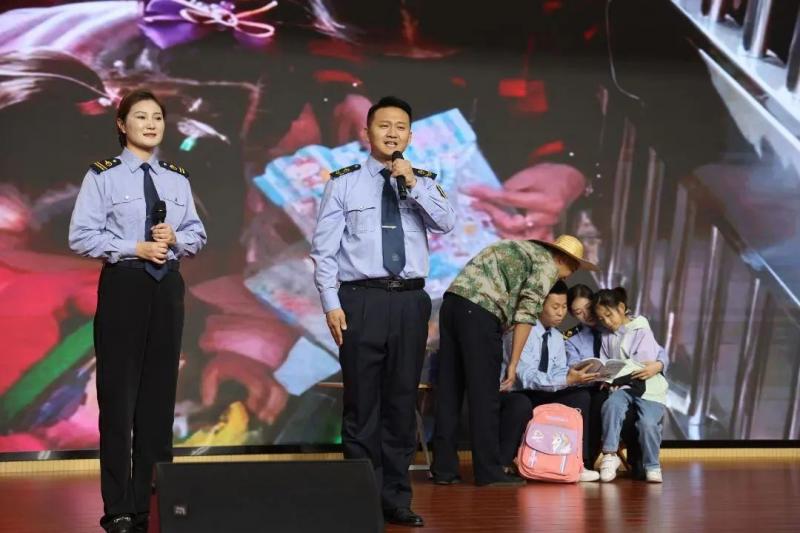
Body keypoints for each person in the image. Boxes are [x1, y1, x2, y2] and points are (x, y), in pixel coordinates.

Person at [310, 95, 455, 528]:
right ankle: (361, 498)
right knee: (361, 404)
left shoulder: (423, 180)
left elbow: (447, 222)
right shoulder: (344, 182)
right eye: (383, 125)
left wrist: (412, 183)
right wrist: (331, 304)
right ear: (367, 132)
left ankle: (396, 498)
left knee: (401, 401)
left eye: (400, 127)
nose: (392, 133)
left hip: (410, 301)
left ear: (410, 136)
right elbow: (324, 251)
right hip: (360, 299)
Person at [69, 89, 207, 533]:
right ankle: (119, 508)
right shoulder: (102, 176)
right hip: (125, 283)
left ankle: (152, 503)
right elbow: (81, 236)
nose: (150, 124)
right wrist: (135, 247)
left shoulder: (177, 178)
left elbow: (198, 235)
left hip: (167, 288)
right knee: (118, 400)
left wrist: (176, 239)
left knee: (159, 401)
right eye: (141, 116)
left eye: (157, 117)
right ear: (121, 124)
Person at [431, 234, 598, 486]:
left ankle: (443, 470)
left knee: (450, 390)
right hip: (480, 312)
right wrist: (513, 363)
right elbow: (526, 315)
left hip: (453, 304)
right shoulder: (546, 265)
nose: (567, 277)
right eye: (571, 269)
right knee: (485, 396)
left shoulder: (520, 249)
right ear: (563, 260)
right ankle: (489, 472)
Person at [498, 280, 601, 481]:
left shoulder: (556, 337)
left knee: (580, 397)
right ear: (539, 306)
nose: (561, 313)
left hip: (542, 391)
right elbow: (525, 376)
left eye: (564, 307)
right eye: (555, 307)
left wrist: (573, 374)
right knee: (521, 403)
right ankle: (502, 463)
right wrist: (565, 379)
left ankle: (579, 463)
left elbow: (558, 370)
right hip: (516, 391)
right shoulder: (520, 332)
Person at [565, 284, 668, 469]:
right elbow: (573, 369)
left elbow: (656, 349)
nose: (586, 315)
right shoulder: (573, 339)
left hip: (627, 384)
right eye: (578, 312)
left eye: (588, 308)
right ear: (572, 315)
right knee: (599, 401)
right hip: (595, 387)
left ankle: (639, 462)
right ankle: (587, 462)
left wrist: (659, 364)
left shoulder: (623, 325)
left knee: (634, 403)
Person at [592, 288, 668, 484]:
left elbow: (642, 364)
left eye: (609, 315)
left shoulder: (641, 328)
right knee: (611, 405)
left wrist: (613, 377)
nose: (606, 322)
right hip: (625, 387)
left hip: (648, 388)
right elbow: (607, 362)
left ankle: (653, 465)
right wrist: (607, 377)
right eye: (601, 318)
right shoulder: (606, 335)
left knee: (647, 424)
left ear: (621, 308)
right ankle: (610, 454)